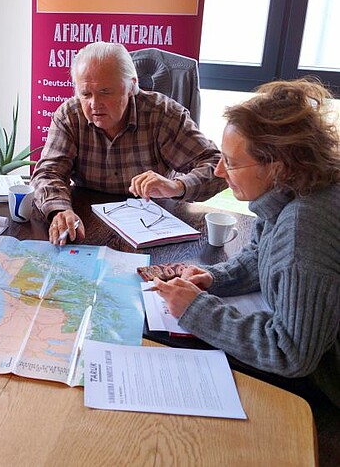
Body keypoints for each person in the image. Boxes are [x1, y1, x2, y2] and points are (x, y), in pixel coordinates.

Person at [153, 78, 340, 407]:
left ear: (277, 167)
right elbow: (261, 254)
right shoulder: (297, 189)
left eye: (233, 162)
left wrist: (196, 309)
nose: (219, 172)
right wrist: (215, 278)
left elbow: (290, 353)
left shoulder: (304, 228)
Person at [31, 41, 226, 244]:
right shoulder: (70, 115)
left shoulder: (163, 115)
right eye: (86, 94)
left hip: (155, 223)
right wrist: (59, 210)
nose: (94, 104)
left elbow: (218, 166)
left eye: (105, 92)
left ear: (131, 86)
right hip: (87, 222)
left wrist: (177, 186)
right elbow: (48, 172)